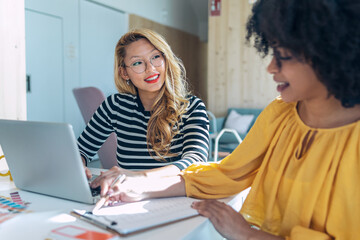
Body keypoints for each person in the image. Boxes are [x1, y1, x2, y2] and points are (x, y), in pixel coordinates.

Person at [91, 0, 360, 239]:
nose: (270, 68)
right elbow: (225, 174)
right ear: (124, 71)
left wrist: (245, 234)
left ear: (331, 55)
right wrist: (140, 189)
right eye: (272, 52)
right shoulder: (281, 114)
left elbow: (195, 161)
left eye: (284, 56)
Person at [78, 29, 209, 179]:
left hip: (173, 197)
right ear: (124, 73)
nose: (150, 68)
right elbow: (81, 149)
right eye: (137, 63)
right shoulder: (115, 106)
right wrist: (79, 166)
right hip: (126, 197)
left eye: (155, 57)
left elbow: (195, 161)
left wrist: (139, 177)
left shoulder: (192, 107)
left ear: (166, 60)